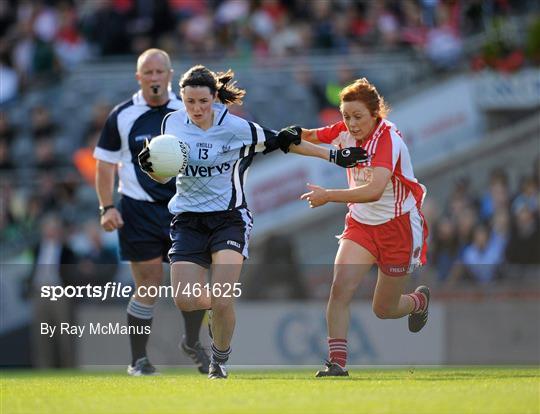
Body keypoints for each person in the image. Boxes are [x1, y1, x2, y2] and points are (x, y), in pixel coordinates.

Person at [137, 64, 369, 379]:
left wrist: (332, 156)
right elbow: (165, 170)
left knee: (222, 299)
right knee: (185, 298)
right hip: (187, 221)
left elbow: (285, 141)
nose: (196, 109)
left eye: (203, 102)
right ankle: (214, 311)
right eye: (190, 102)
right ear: (182, 99)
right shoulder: (172, 123)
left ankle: (219, 359)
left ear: (215, 98)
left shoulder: (236, 127)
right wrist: (151, 167)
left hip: (229, 219)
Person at [281, 78, 430, 377]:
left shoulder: (388, 139)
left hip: (397, 228)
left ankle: (418, 302)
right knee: (339, 290)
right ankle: (337, 363)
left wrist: (328, 195)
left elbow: (374, 190)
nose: (351, 124)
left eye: (358, 117)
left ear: (376, 113)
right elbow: (305, 138)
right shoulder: (344, 131)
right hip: (361, 224)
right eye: (346, 116)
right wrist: (283, 137)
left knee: (384, 309)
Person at [93, 49, 209, 376]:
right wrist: (107, 207)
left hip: (183, 210)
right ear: (138, 77)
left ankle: (190, 341)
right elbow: (104, 163)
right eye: (148, 72)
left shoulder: (188, 110)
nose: (155, 78)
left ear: (170, 75)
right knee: (149, 284)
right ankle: (138, 360)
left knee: (191, 287)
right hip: (137, 209)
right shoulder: (122, 115)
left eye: (160, 72)